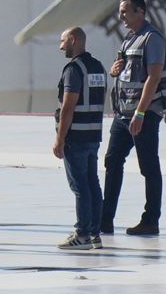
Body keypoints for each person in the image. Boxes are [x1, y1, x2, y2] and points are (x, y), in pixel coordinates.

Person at [101, 0, 166, 237]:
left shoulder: (152, 38)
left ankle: (151, 220)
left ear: (140, 11)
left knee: (148, 166)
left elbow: (154, 76)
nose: (120, 16)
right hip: (123, 113)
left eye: (125, 11)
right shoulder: (129, 39)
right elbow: (125, 70)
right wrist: (114, 70)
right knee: (112, 161)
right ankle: (105, 219)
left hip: (144, 113)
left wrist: (140, 112)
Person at [53, 27, 106, 250]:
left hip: (76, 137)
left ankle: (82, 234)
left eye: (63, 41)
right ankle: (95, 234)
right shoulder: (98, 67)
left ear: (73, 40)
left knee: (80, 186)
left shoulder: (74, 69)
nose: (61, 46)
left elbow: (68, 107)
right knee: (92, 184)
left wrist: (60, 138)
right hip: (93, 135)